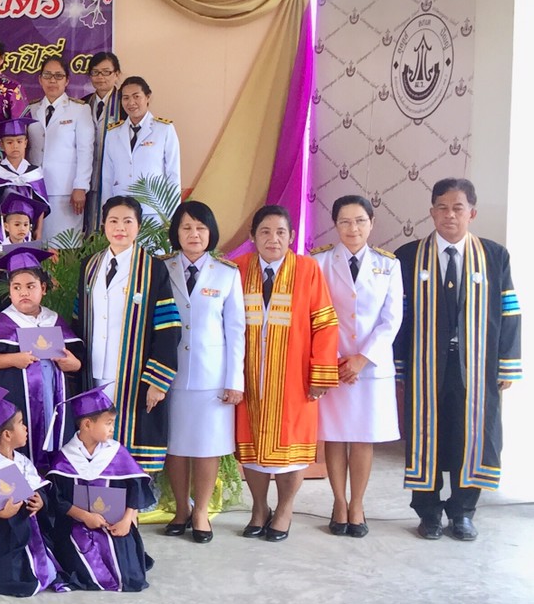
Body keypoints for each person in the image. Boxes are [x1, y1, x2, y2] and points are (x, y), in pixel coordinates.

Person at [395, 178, 520, 542]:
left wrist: (507, 364)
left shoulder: (494, 256)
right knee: (427, 436)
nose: (450, 215)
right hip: (425, 365)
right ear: (432, 212)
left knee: (474, 436)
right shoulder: (408, 256)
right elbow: (399, 316)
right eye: (442, 208)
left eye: (458, 208)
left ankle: (463, 512)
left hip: (477, 368)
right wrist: (399, 366)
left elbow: (510, 312)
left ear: (472, 213)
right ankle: (429, 512)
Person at [235, 204, 339, 541]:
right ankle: (259, 508)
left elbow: (325, 323)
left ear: (292, 236)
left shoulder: (307, 270)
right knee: (252, 448)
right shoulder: (238, 269)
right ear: (252, 236)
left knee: (290, 451)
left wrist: (320, 374)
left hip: (294, 377)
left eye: (280, 232)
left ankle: (284, 509)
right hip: (249, 374)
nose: (273, 239)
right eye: (265, 232)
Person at [314, 195, 403, 538]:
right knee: (336, 437)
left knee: (364, 438)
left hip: (370, 367)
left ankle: (357, 505)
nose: (353, 228)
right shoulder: (320, 261)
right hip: (333, 364)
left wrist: (362, 358)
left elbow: (391, 319)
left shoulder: (388, 265)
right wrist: (334, 359)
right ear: (335, 225)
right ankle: (339, 503)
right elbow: (315, 314)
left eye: (360, 221)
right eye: (345, 222)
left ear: (371, 223)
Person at [159, 201, 245, 543]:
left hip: (212, 377)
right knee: (176, 446)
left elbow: (236, 331)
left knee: (208, 446)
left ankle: (201, 512)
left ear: (211, 233)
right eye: (186, 227)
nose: (193, 234)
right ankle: (181, 508)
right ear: (176, 233)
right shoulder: (161, 268)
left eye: (200, 228)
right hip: (170, 373)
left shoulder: (227, 273)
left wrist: (234, 381)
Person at [76, 196, 180, 472]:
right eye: (113, 221)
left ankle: (130, 498)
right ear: (103, 225)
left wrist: (158, 381)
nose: (120, 228)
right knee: (95, 445)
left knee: (128, 446)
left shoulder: (153, 269)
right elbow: (79, 320)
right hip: (94, 372)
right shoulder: (89, 266)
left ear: (138, 226)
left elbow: (168, 327)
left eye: (127, 221)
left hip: (134, 376)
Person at [0, 245, 84, 457]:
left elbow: (77, 361)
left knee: (53, 437)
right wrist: (13, 359)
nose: (23, 292)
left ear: (43, 288)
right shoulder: (0, 323)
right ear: (10, 291)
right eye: (16, 287)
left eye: (30, 286)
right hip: (15, 397)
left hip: (52, 394)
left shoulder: (54, 320)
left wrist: (73, 364)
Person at [0, 388, 67, 596]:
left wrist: (40, 501)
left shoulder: (22, 461)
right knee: (12, 574)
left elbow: (40, 488)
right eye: (21, 423)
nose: (26, 428)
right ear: (7, 434)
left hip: (31, 531)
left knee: (48, 565)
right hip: (2, 539)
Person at [45, 387, 156, 592]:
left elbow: (136, 490)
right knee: (81, 567)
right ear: (87, 424)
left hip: (115, 525)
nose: (112, 428)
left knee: (129, 577)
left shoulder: (117, 454)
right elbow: (57, 500)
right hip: (76, 526)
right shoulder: (66, 458)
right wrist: (85, 516)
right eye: (108, 423)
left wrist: (127, 520)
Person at [25, 57, 93, 244]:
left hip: (66, 191)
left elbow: (85, 151)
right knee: (37, 244)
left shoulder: (79, 110)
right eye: (47, 75)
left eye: (58, 76)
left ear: (67, 80)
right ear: (40, 79)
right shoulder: (31, 109)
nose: (52, 80)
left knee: (64, 247)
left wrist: (81, 186)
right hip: (35, 189)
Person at [100, 75, 181, 223]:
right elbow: (107, 176)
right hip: (121, 210)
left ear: (148, 97)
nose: (131, 103)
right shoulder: (113, 133)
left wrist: (172, 216)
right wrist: (107, 212)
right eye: (125, 98)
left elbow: (173, 175)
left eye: (136, 96)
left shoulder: (164, 129)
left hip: (154, 211)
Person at [82, 51, 125, 231]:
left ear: (117, 74)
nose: (101, 77)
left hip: (115, 178)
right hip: (87, 178)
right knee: (86, 227)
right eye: (95, 72)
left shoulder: (125, 105)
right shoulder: (83, 104)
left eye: (106, 72)